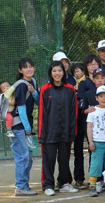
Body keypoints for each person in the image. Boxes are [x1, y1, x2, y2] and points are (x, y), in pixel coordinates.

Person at [38, 61, 78, 196]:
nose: (57, 73)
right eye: (54, 71)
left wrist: (73, 131)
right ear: (51, 72)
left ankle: (64, 183)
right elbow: (42, 113)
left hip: (66, 132)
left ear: (64, 72)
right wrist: (42, 134)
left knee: (64, 159)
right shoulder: (45, 89)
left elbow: (74, 112)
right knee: (48, 160)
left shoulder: (70, 89)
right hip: (49, 132)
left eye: (59, 71)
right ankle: (48, 185)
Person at [10, 58, 39, 196]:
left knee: (28, 157)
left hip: (26, 126)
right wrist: (27, 129)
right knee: (23, 157)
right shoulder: (21, 85)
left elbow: (39, 101)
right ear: (20, 70)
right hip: (18, 126)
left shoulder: (32, 82)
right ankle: (20, 186)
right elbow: (21, 109)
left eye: (31, 66)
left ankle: (24, 185)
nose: (29, 69)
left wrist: (33, 92)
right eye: (25, 67)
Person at [75, 55, 101, 187]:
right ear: (86, 66)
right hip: (85, 121)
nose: (93, 66)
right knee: (81, 148)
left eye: (96, 64)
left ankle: (97, 178)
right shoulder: (84, 83)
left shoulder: (103, 83)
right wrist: (86, 110)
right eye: (90, 64)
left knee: (95, 149)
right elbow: (81, 103)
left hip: (99, 123)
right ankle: (80, 178)